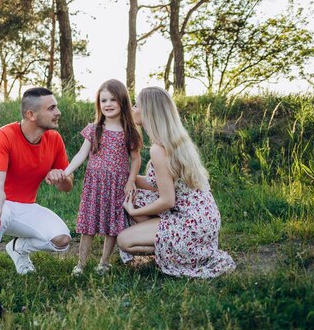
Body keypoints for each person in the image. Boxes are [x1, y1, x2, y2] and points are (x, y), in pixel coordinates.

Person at [118, 86, 235, 278]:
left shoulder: (158, 149)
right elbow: (158, 184)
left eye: (136, 105)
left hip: (190, 224)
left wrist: (134, 212)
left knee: (124, 240)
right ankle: (172, 246)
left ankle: (174, 253)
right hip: (205, 220)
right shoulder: (175, 141)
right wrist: (128, 178)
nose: (132, 108)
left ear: (149, 111)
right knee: (137, 196)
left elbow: (167, 200)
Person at [0, 87, 74, 292]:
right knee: (3, 212)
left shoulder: (54, 139)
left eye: (57, 107)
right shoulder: (4, 136)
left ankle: (17, 249)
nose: (58, 112)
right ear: (31, 115)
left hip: (26, 207)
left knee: (62, 240)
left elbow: (68, 186)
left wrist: (60, 177)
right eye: (51, 108)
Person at [63, 79, 142, 276]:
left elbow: (136, 159)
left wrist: (131, 180)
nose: (107, 104)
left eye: (112, 99)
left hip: (118, 184)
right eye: (103, 100)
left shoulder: (129, 131)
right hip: (95, 184)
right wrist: (66, 172)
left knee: (112, 225)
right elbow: (81, 154)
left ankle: (104, 262)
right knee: (88, 225)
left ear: (123, 101)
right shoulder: (94, 128)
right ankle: (81, 264)